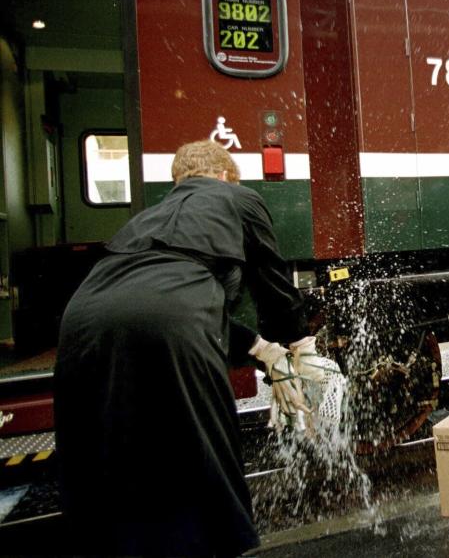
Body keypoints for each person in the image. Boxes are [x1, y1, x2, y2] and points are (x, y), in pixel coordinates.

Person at [54, 140, 313, 556]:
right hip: (172, 320)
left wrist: (260, 347)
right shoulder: (238, 197)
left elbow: (151, 300)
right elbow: (270, 279)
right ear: (227, 174)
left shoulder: (147, 218)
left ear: (178, 179)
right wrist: (298, 341)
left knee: (104, 459)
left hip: (82, 320)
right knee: (202, 459)